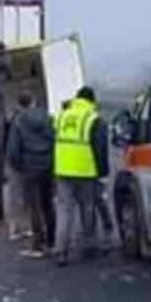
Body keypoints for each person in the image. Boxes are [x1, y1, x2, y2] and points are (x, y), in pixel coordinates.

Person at [52, 86, 109, 266]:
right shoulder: (93, 119)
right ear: (91, 101)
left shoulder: (61, 116)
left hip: (62, 169)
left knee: (64, 210)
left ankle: (61, 250)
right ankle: (89, 246)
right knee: (87, 208)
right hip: (85, 171)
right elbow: (100, 148)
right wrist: (102, 172)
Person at [6, 92, 56, 258]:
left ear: (20, 105)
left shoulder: (18, 121)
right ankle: (52, 239)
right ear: (34, 101)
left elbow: (13, 150)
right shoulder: (48, 118)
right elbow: (54, 139)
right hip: (48, 165)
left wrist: (20, 167)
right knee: (48, 203)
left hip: (29, 168)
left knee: (34, 206)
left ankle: (38, 243)